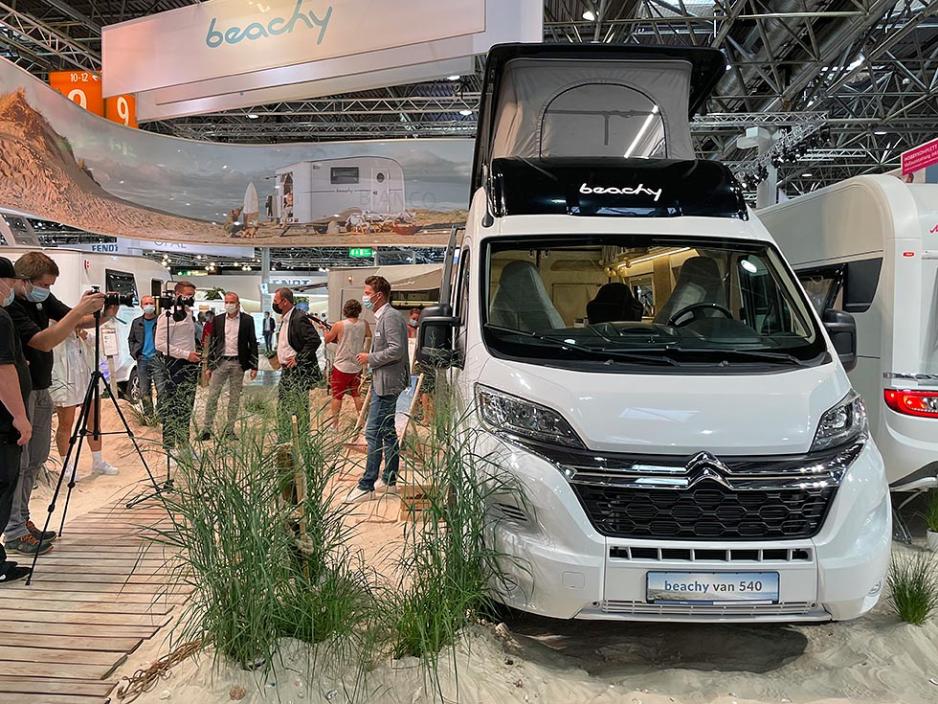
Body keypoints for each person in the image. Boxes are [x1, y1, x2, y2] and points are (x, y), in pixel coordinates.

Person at [4, 252, 113, 557]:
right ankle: (13, 530)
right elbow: (44, 340)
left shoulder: (42, 298)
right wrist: (79, 310)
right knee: (20, 463)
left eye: (50, 285)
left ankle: (23, 520)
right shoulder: (12, 308)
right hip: (22, 391)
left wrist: (105, 312)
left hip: (41, 387)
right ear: (23, 281)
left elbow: (77, 321)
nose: (47, 290)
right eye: (44, 285)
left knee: (36, 459)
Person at [345, 276, 409, 503]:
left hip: (388, 383)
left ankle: (367, 485)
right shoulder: (383, 317)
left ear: (378, 295)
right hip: (384, 380)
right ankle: (389, 480)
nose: (364, 297)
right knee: (387, 431)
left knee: (373, 432)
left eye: (367, 293)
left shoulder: (390, 317)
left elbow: (396, 350)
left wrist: (369, 358)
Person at [0, 258, 33, 583]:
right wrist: (20, 417)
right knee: (3, 485)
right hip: (3, 424)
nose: (13, 288)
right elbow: (3, 370)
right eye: (11, 282)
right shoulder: (1, 318)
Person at [50, 328, 118, 480]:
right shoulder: (56, 329)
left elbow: (95, 343)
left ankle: (98, 461)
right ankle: (67, 466)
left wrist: (82, 332)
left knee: (94, 421)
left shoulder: (83, 330)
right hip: (66, 379)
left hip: (87, 377)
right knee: (66, 423)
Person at [199, 292, 258, 440]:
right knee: (212, 396)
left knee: (234, 398)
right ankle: (207, 429)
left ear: (238, 304)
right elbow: (212, 343)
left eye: (231, 302)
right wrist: (209, 366)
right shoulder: (218, 320)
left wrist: (254, 366)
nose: (228, 305)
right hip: (220, 363)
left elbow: (252, 342)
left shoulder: (247, 320)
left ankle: (230, 430)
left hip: (238, 363)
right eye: (226, 302)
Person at [155, 281, 200, 454]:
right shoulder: (168, 315)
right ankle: (169, 446)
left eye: (193, 295)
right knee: (172, 406)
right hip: (174, 365)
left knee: (186, 406)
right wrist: (185, 354)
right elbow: (160, 344)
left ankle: (183, 444)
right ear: (178, 294)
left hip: (190, 365)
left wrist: (192, 355)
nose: (191, 298)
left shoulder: (188, 314)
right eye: (188, 294)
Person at [273, 287, 321, 440]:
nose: (274, 304)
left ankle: (301, 439)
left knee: (298, 407)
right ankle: (285, 437)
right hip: (287, 371)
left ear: (285, 302)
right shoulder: (287, 318)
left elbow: (314, 340)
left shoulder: (298, 318)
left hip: (297, 372)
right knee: (284, 406)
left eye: (276, 301)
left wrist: (298, 358)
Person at [323, 299, 370, 429]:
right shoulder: (364, 324)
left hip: (341, 366)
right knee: (357, 394)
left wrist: (324, 330)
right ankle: (362, 423)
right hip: (357, 366)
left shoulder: (339, 324)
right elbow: (368, 338)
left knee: (337, 396)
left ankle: (335, 425)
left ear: (345, 310)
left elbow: (327, 339)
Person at [128, 296, 159, 415]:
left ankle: (161, 415)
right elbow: (131, 339)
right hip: (142, 359)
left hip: (158, 359)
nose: (149, 306)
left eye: (151, 303)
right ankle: (149, 416)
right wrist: (134, 353)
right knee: (144, 390)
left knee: (161, 389)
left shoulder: (160, 321)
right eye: (146, 303)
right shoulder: (136, 322)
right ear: (141, 306)